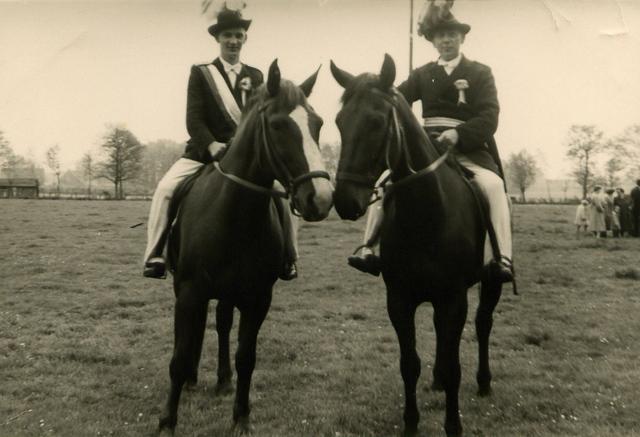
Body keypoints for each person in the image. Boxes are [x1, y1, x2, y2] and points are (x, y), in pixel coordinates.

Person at [348, 0, 513, 283]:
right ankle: (368, 247)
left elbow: (489, 116)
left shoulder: (480, 72)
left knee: (494, 186)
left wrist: (459, 134)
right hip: (426, 148)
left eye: (451, 34)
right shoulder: (422, 74)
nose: (446, 40)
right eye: (440, 35)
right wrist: (373, 92)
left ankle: (501, 258)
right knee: (386, 183)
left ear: (462, 37)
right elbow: (394, 99)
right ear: (433, 40)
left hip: (469, 150)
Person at [143, 4, 298, 280]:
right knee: (166, 189)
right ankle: (156, 254)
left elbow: (258, 120)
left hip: (246, 157)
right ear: (217, 38)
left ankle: (288, 257)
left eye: (239, 35)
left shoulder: (257, 76)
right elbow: (194, 119)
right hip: (204, 153)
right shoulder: (201, 72)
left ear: (245, 39)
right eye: (228, 35)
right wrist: (211, 145)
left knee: (283, 197)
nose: (233, 41)